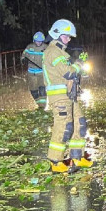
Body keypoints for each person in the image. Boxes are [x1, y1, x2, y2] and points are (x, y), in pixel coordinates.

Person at [41, 19, 91, 173]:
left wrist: (80, 66)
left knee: (80, 123)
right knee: (64, 127)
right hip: (60, 96)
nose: (69, 39)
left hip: (69, 95)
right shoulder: (52, 52)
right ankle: (55, 162)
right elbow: (68, 72)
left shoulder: (61, 52)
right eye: (67, 36)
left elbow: (74, 73)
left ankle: (77, 157)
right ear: (57, 34)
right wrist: (78, 64)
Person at [21, 31, 48, 108]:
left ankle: (43, 106)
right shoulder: (29, 47)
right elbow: (23, 55)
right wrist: (23, 60)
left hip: (41, 73)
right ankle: (39, 104)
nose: (39, 43)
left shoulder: (46, 48)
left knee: (42, 89)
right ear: (34, 40)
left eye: (40, 41)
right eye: (37, 41)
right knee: (33, 90)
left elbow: (50, 58)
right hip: (31, 73)